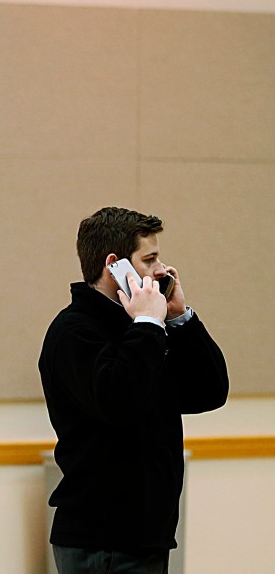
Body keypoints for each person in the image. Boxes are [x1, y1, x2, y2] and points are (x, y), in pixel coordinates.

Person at [38, 206, 229, 574]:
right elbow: (119, 402)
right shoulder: (74, 332)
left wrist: (179, 318)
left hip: (145, 534)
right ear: (115, 265)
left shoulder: (146, 330)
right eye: (150, 258)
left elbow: (209, 391)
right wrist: (146, 323)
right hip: (103, 540)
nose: (162, 270)